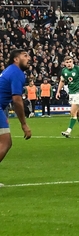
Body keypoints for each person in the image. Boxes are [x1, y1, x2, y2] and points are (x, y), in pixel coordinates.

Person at [0, 49, 33, 186]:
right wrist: (24, 124)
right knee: (6, 142)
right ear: (16, 59)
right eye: (25, 55)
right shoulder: (16, 73)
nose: (29, 58)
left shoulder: (9, 70)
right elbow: (17, 100)